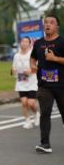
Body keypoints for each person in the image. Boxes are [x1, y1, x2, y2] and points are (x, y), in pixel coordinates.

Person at [30, 15, 64, 154]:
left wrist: (55, 58)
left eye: (51, 22)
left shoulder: (62, 42)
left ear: (57, 26)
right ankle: (45, 144)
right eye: (45, 23)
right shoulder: (38, 43)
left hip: (62, 85)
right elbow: (33, 58)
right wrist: (32, 65)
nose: (47, 25)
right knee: (45, 112)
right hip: (44, 85)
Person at [12, 36, 39, 129]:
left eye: (26, 41)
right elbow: (13, 68)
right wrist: (14, 70)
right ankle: (27, 121)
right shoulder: (16, 56)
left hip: (32, 82)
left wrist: (31, 71)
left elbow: (38, 67)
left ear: (29, 44)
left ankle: (36, 114)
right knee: (24, 103)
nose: (24, 43)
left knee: (31, 103)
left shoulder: (33, 54)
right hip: (21, 82)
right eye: (22, 41)